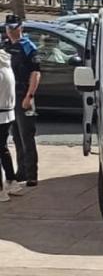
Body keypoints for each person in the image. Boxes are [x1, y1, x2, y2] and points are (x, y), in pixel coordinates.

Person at [3, 15, 40, 187]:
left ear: (21, 28)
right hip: (10, 99)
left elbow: (36, 73)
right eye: (9, 28)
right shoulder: (5, 46)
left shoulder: (28, 47)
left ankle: (32, 174)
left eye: (14, 28)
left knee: (27, 136)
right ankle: (21, 172)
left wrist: (29, 96)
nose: (11, 31)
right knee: (16, 136)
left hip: (24, 95)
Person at [0, 47, 23, 200]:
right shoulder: (6, 65)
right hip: (7, 113)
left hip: (1, 113)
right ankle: (11, 181)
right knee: (2, 148)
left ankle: (2, 190)